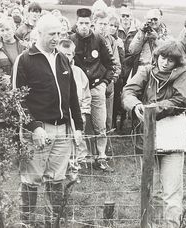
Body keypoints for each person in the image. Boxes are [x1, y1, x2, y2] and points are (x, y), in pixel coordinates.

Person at [12, 14, 83, 227]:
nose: (56, 38)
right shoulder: (24, 59)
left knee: (56, 180)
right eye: (52, 34)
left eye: (59, 33)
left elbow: (72, 96)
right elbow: (17, 99)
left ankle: (54, 223)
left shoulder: (62, 58)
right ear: (39, 33)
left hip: (62, 131)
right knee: (31, 180)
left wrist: (78, 126)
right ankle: (27, 223)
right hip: (38, 132)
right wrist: (33, 127)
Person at [122, 39, 186, 227]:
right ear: (157, 56)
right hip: (148, 138)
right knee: (148, 188)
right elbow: (128, 91)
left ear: (177, 62)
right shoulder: (146, 71)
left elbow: (181, 99)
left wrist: (152, 110)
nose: (165, 62)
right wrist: (135, 105)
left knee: (171, 191)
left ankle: (171, 225)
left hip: (173, 137)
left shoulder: (182, 75)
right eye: (162, 57)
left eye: (170, 60)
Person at [70, 8, 115, 172]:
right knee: (78, 122)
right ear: (77, 22)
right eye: (81, 23)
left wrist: (104, 82)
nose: (84, 26)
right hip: (78, 90)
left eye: (87, 23)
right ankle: (81, 158)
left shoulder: (99, 40)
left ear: (91, 23)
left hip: (97, 87)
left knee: (100, 124)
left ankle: (101, 157)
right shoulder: (70, 40)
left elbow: (111, 65)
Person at [57, 38, 91, 180]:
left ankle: (75, 168)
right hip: (62, 114)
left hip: (77, 112)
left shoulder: (78, 72)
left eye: (70, 54)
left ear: (73, 55)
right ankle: (62, 170)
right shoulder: (55, 71)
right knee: (64, 142)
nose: (66, 57)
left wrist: (84, 111)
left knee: (77, 140)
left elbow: (87, 94)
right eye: (63, 54)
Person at [93, 11, 121, 131]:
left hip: (108, 83)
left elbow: (117, 63)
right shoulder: (89, 39)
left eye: (106, 24)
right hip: (93, 83)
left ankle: (106, 143)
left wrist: (112, 79)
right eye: (101, 24)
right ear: (94, 23)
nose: (103, 27)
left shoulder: (111, 41)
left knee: (107, 117)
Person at [108, 15, 126, 131]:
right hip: (108, 74)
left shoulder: (119, 41)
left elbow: (121, 59)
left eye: (115, 26)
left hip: (117, 74)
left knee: (115, 101)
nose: (113, 28)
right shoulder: (105, 39)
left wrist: (118, 74)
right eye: (111, 25)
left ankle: (115, 122)